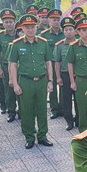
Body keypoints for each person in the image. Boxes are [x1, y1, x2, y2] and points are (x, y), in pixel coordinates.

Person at [9, 14, 54, 149]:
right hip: (25, 81)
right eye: (27, 27)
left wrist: (50, 80)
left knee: (42, 109)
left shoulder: (43, 43)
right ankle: (29, 137)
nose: (30, 30)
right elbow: (12, 64)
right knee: (27, 110)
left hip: (41, 81)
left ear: (37, 27)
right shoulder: (16, 45)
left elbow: (48, 62)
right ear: (22, 28)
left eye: (33, 27)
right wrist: (15, 83)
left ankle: (42, 136)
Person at [0, 9, 19, 120]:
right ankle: (11, 111)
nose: (9, 24)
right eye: (6, 22)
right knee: (9, 90)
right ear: (2, 23)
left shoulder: (20, 33)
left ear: (14, 22)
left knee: (21, 89)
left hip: (21, 67)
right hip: (5, 66)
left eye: (11, 21)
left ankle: (22, 111)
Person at [40, 8, 65, 119]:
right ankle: (54, 109)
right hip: (50, 64)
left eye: (57, 19)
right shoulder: (44, 34)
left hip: (63, 64)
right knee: (52, 85)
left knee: (64, 86)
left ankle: (63, 107)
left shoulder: (65, 32)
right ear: (49, 21)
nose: (56, 22)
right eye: (53, 19)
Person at [54, 17, 78, 130]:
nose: (68, 32)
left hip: (78, 75)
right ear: (63, 31)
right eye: (66, 30)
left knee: (78, 99)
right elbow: (57, 62)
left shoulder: (80, 43)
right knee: (66, 99)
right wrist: (58, 77)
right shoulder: (59, 45)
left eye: (70, 29)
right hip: (65, 75)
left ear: (75, 31)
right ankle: (69, 120)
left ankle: (78, 119)